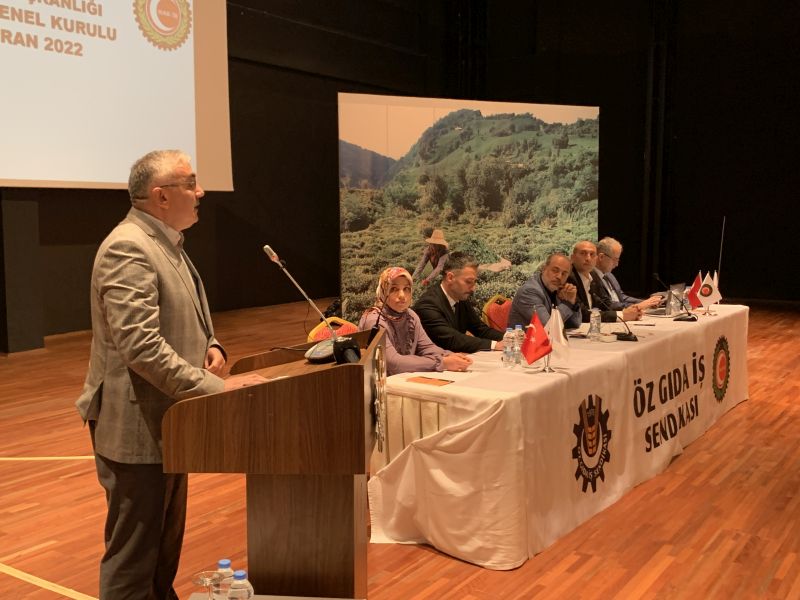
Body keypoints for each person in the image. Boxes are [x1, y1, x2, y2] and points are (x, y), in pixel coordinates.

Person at [75, 150, 265, 600]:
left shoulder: (166, 241)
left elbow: (187, 314)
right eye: (191, 183)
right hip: (135, 424)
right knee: (134, 561)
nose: (200, 192)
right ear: (160, 196)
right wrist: (219, 389)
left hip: (169, 418)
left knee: (161, 556)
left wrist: (212, 345)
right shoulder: (129, 247)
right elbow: (140, 346)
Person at [359, 266, 472, 376]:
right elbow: (393, 363)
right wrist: (442, 362)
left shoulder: (410, 315)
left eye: (406, 289)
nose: (402, 295)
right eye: (394, 289)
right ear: (383, 291)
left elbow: (427, 347)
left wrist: (450, 355)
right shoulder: (374, 319)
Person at [412, 252, 504, 353]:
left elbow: (480, 329)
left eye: (474, 282)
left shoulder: (460, 298)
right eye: (469, 282)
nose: (473, 288)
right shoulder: (427, 305)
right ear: (450, 277)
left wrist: (509, 338)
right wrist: (495, 345)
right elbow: (452, 339)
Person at [567, 240, 642, 323]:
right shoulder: (568, 277)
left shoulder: (593, 276)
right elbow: (583, 314)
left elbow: (605, 303)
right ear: (572, 258)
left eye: (592, 254)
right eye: (583, 253)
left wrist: (631, 310)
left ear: (596, 258)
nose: (588, 258)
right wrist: (622, 315)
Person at [508, 253, 582, 329]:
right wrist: (568, 303)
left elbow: (575, 324)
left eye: (564, 274)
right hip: (524, 340)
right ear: (544, 268)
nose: (559, 276)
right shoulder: (529, 291)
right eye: (555, 271)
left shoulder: (557, 289)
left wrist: (573, 302)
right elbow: (548, 327)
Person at [595, 236, 661, 310]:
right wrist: (638, 306)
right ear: (601, 257)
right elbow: (608, 304)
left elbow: (621, 297)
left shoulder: (609, 275)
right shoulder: (591, 277)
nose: (617, 264)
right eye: (615, 259)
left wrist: (646, 302)